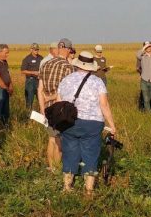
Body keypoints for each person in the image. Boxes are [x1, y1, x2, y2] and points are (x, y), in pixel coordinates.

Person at [57, 51, 118, 195]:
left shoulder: (66, 80)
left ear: (78, 64)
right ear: (91, 66)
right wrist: (112, 124)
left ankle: (67, 187)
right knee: (90, 153)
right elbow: (104, 105)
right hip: (92, 123)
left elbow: (58, 103)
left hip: (69, 123)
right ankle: (89, 190)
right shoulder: (98, 82)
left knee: (70, 152)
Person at [38, 39, 74, 170]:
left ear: (59, 48)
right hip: (60, 109)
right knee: (59, 140)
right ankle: (57, 169)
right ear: (69, 50)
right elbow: (65, 91)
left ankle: (51, 167)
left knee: (51, 139)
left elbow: (39, 89)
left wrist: (42, 108)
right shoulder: (68, 67)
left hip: (47, 109)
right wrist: (52, 97)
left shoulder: (45, 64)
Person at [20, 43, 42, 111]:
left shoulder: (41, 58)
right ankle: (28, 115)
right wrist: (33, 72)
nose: (36, 51)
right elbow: (23, 71)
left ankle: (41, 115)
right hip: (30, 81)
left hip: (39, 81)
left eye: (37, 49)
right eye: (35, 49)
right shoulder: (27, 59)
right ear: (31, 49)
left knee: (40, 99)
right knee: (29, 100)